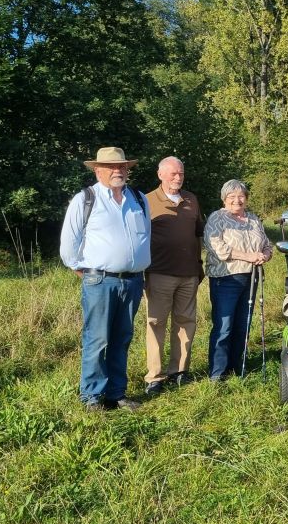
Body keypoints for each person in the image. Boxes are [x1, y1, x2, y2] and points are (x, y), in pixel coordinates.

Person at [60, 146, 151, 411]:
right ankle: (91, 397)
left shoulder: (139, 198)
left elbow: (146, 237)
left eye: (122, 167)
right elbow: (68, 245)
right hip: (100, 281)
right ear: (98, 170)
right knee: (97, 340)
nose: (118, 171)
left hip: (133, 281)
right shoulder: (85, 199)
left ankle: (116, 394)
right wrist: (87, 272)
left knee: (122, 338)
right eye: (111, 167)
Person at [143, 156, 204, 396]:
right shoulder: (147, 201)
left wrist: (199, 265)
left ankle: (179, 371)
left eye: (181, 174)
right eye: (173, 174)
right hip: (159, 272)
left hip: (189, 273)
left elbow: (198, 234)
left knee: (186, 322)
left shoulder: (191, 200)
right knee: (156, 323)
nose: (177, 178)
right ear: (160, 175)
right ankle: (155, 377)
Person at [203, 179, 272, 381]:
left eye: (241, 196)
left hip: (251, 279)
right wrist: (249, 256)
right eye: (231, 196)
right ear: (224, 199)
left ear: (247, 198)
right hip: (226, 279)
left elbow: (267, 244)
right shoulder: (218, 218)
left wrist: (265, 255)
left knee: (243, 324)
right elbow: (219, 249)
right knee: (224, 326)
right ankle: (218, 373)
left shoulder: (253, 219)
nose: (237, 200)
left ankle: (236, 367)